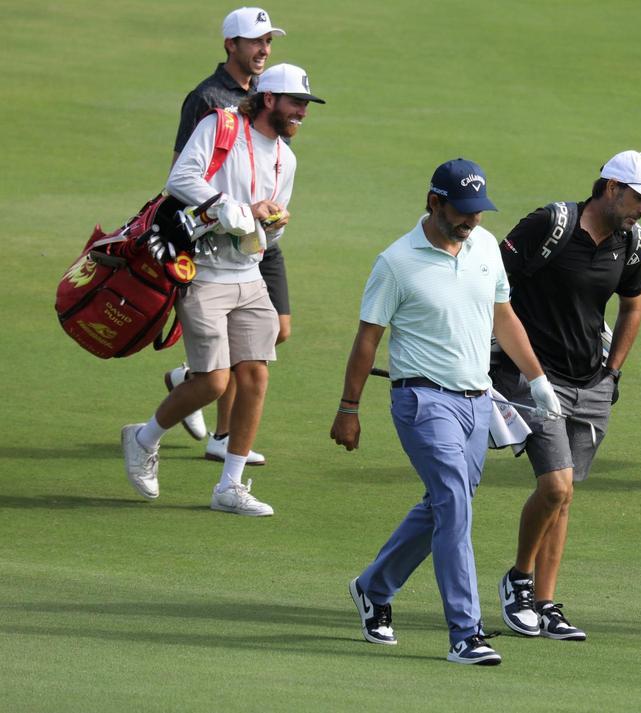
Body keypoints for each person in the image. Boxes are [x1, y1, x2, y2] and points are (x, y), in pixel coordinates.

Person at [332, 159, 561, 666]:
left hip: (478, 403)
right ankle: (465, 632)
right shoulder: (395, 263)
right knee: (455, 503)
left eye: (478, 211)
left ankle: (374, 587)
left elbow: (504, 317)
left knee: (442, 503)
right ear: (434, 202)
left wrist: (538, 379)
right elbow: (367, 339)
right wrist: (349, 408)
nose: (472, 221)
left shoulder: (484, 247)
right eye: (462, 211)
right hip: (421, 400)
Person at [121, 63, 323, 515]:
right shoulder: (220, 125)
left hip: (248, 276)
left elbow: (266, 238)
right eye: (296, 103)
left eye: (306, 105)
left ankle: (229, 487)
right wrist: (233, 206)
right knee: (213, 381)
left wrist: (272, 225)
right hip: (203, 270)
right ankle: (142, 437)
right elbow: (180, 179)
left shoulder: (285, 159)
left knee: (255, 375)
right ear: (269, 98)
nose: (302, 113)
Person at [492, 150, 641, 641]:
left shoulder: (632, 242)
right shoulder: (549, 224)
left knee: (564, 496)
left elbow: (632, 307)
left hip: (591, 382)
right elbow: (491, 287)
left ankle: (547, 604)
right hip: (534, 378)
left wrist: (612, 373)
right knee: (555, 486)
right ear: (611, 188)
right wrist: (527, 373)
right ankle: (519, 582)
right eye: (638, 199)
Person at [163, 7, 292, 469]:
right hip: (218, 236)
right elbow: (182, 174)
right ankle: (220, 432)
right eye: (255, 41)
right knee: (236, 360)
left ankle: (191, 378)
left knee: (279, 330)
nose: (263, 49)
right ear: (230, 45)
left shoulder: (271, 95)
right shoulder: (206, 99)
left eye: (268, 41)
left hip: (258, 236)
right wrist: (228, 213)